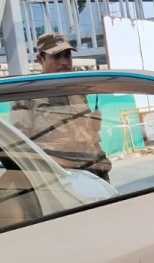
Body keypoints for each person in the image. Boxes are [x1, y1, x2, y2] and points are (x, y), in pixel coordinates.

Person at [10, 33, 111, 182]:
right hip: (56, 179)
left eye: (67, 56)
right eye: (57, 57)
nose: (64, 62)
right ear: (40, 59)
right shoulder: (27, 97)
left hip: (92, 174)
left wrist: (101, 161)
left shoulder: (77, 92)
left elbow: (90, 136)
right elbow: (19, 147)